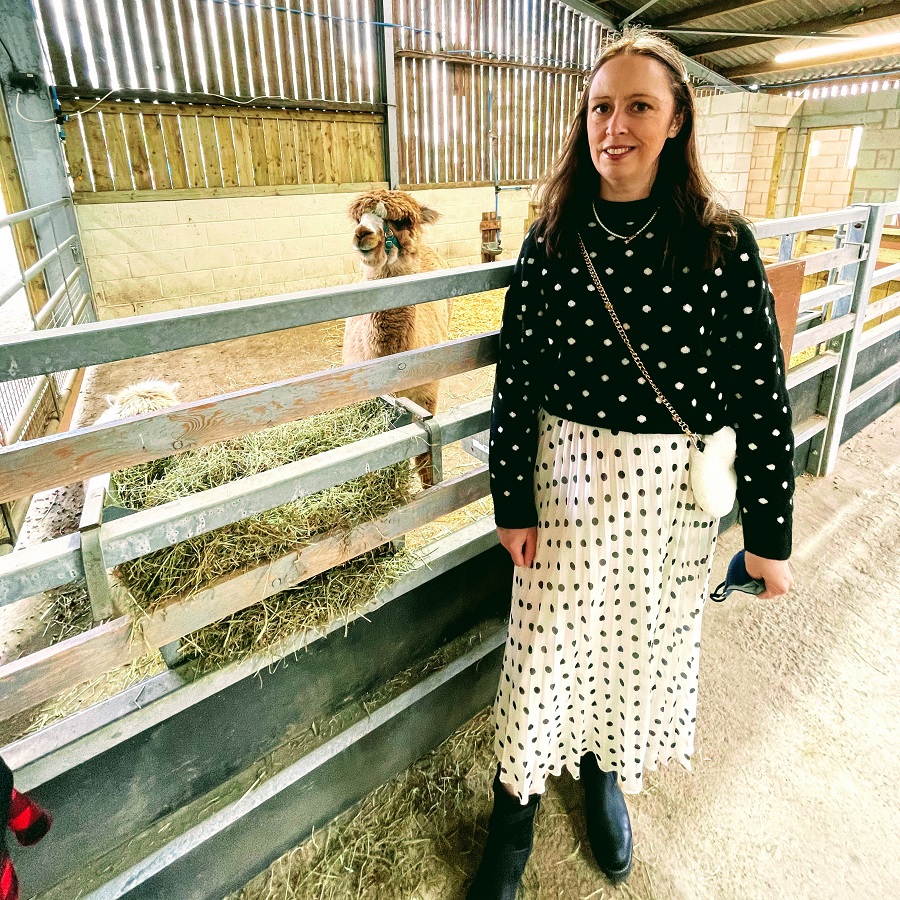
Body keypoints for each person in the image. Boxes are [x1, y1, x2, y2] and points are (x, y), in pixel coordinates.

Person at [467, 29, 795, 899]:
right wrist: (512, 501)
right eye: (601, 107)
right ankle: (515, 809)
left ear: (678, 120)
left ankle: (604, 771)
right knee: (543, 651)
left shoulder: (722, 242)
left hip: (672, 504)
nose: (616, 125)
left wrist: (769, 535)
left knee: (642, 647)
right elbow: (518, 378)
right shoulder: (552, 236)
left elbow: (760, 392)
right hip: (566, 484)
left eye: (639, 106)